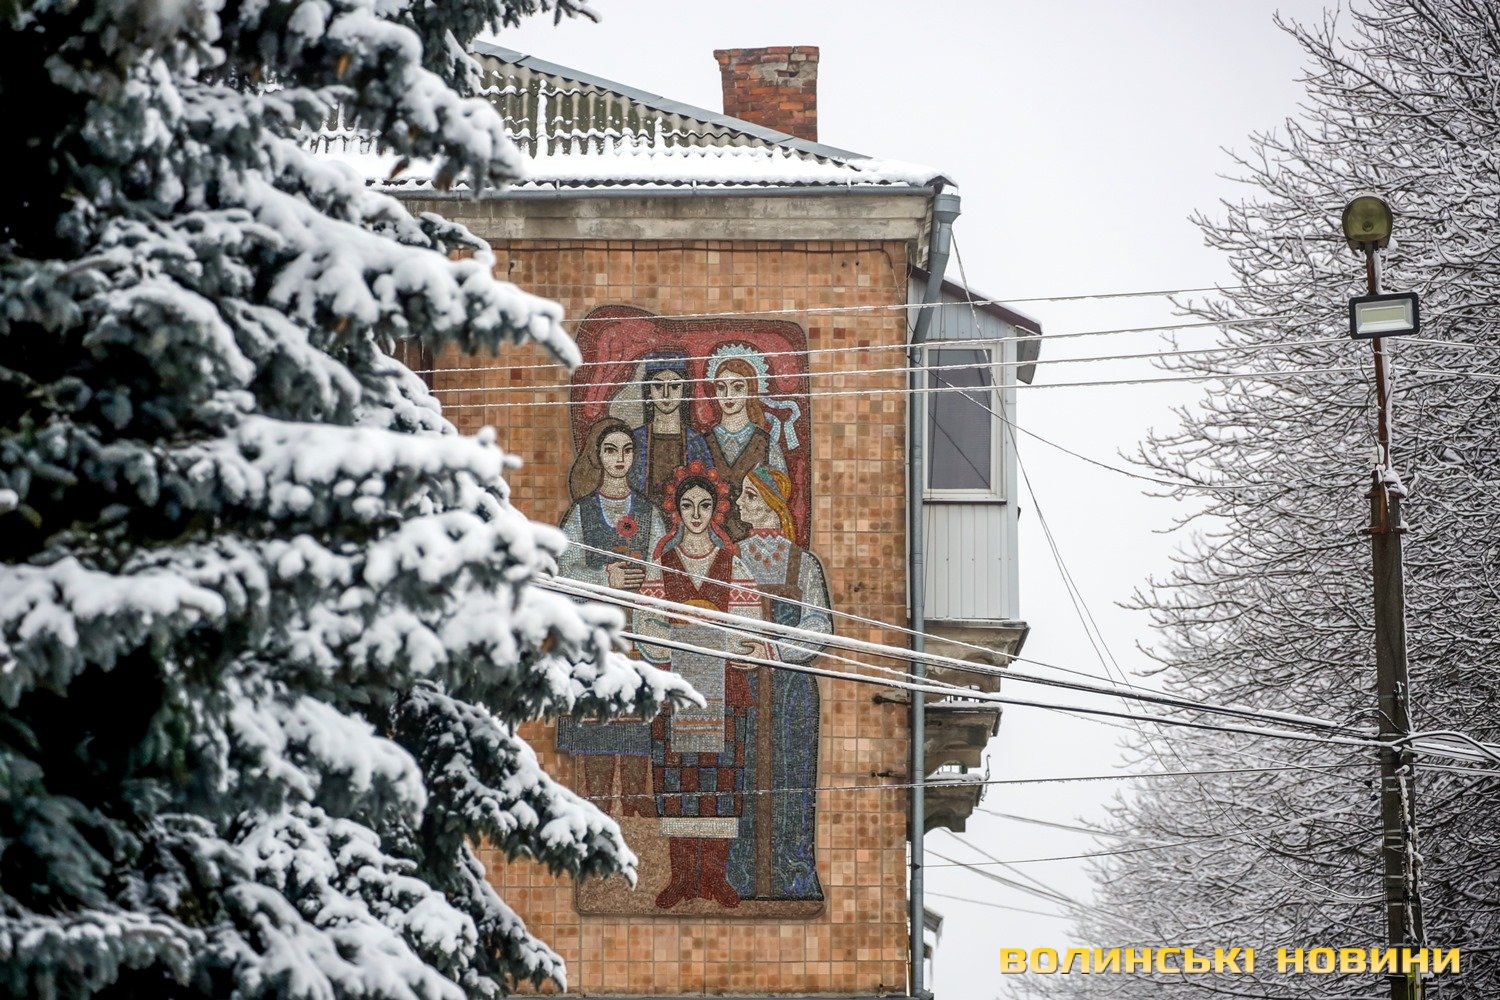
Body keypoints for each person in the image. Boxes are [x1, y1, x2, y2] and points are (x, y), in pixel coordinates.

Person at [636, 462, 770, 909]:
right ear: (676, 509)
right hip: (675, 689)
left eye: (704, 505)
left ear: (716, 511)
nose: (696, 514)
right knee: (678, 782)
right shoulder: (661, 565)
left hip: (724, 688)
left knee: (720, 782)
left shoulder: (734, 565)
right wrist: (678, 641)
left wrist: (716, 639)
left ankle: (713, 877)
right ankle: (681, 878)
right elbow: (644, 625)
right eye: (688, 505)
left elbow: (748, 628)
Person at [556, 417, 668, 816]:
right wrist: (605, 577)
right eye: (610, 450)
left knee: (637, 733)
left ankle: (636, 816)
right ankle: (595, 811)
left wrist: (646, 587)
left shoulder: (649, 514)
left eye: (627, 450)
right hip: (595, 642)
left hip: (638, 637)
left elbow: (662, 568)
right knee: (596, 736)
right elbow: (562, 572)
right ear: (598, 456)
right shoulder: (581, 513)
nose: (619, 458)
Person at [730, 465, 830, 902]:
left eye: (749, 496)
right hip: (743, 684)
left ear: (773, 504)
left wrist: (773, 649)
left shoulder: (803, 563)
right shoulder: (731, 558)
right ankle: (741, 874)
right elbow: (717, 616)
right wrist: (736, 647)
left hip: (792, 690)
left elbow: (819, 626)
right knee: (741, 774)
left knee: (792, 779)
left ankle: (792, 874)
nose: (739, 504)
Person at [703, 348, 790, 541]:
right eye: (721, 387)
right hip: (712, 536)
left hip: (755, 537)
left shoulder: (766, 443)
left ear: (750, 390)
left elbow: (777, 499)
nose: (728, 395)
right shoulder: (703, 441)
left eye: (737, 387)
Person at [629, 350, 713, 509]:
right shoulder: (636, 439)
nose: (666, 394)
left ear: (684, 390)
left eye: (674, 386)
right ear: (648, 390)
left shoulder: (696, 441)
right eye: (658, 386)